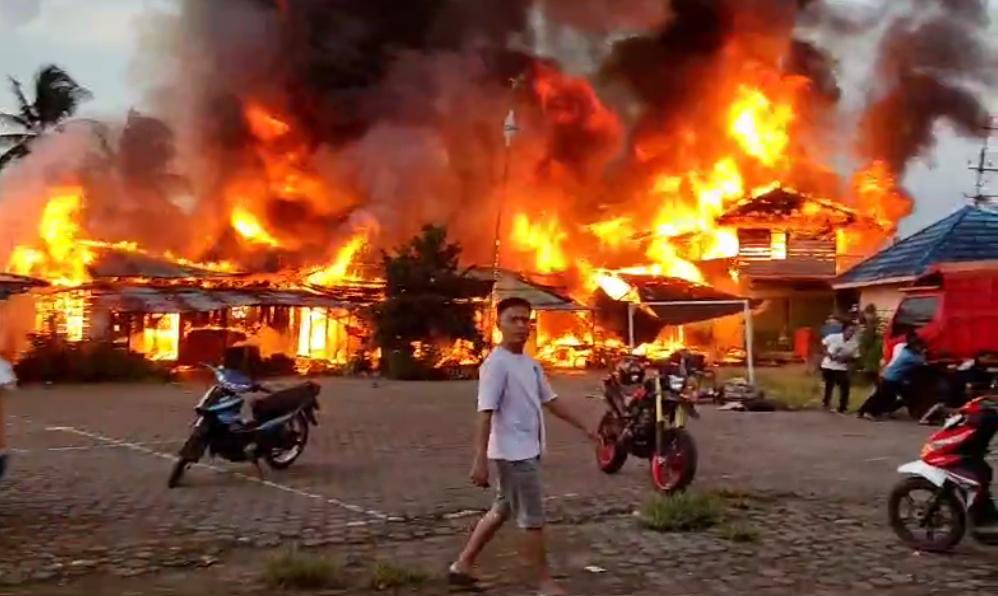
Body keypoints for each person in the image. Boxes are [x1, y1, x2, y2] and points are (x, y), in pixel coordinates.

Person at [448, 297, 595, 596]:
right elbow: (485, 412)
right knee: (533, 518)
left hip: (527, 449)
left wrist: (586, 426)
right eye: (513, 319)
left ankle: (462, 565)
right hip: (514, 455)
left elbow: (551, 401)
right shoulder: (495, 365)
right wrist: (480, 460)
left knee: (502, 509)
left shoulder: (530, 364)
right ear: (498, 324)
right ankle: (544, 583)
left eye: (525, 320)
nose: (520, 326)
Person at [857, 332, 927, 420]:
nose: (920, 348)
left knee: (881, 395)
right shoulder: (910, 357)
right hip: (892, 379)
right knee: (884, 397)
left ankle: (863, 411)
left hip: (888, 376)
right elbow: (923, 362)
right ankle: (872, 412)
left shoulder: (904, 350)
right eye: (919, 347)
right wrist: (923, 352)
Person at [820, 323, 859, 412]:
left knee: (845, 386)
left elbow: (856, 357)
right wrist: (828, 354)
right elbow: (822, 345)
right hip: (828, 365)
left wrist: (847, 358)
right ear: (844, 330)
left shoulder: (854, 343)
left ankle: (842, 407)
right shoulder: (833, 337)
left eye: (853, 331)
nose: (851, 333)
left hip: (842, 367)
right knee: (829, 385)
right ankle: (826, 403)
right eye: (849, 331)